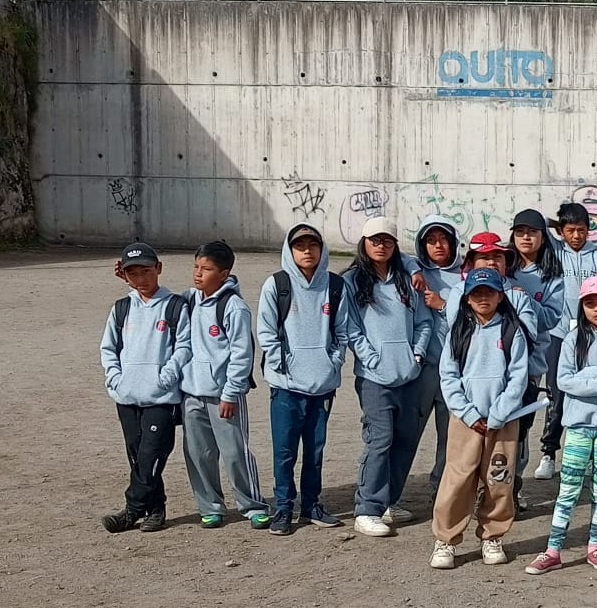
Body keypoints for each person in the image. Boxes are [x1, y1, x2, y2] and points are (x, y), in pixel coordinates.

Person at [525, 275, 597, 575]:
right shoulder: (571, 340)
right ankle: (553, 549)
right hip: (577, 426)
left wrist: (588, 378)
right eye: (590, 303)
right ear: (582, 307)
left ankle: (595, 546)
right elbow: (564, 381)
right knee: (568, 489)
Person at [430, 268, 531, 569]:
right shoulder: (458, 332)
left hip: (503, 420)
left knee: (499, 479)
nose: (483, 297)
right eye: (476, 293)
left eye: (489, 292)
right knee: (458, 479)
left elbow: (519, 377)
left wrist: (498, 413)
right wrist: (470, 414)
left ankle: (492, 536)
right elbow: (448, 378)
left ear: (500, 296)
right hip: (466, 421)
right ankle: (445, 540)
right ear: (467, 299)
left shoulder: (512, 331)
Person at [257, 223, 350, 535]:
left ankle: (312, 505)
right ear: (290, 250)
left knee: (316, 449)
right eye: (300, 246)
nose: (307, 251)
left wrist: (332, 362)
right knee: (284, 451)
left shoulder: (335, 286)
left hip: (322, 385)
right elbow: (267, 334)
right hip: (286, 386)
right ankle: (283, 507)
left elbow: (343, 332)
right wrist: (283, 365)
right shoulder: (277, 285)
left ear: (322, 249)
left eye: (313, 245)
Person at [344, 216, 432, 537]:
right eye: (375, 240)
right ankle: (367, 508)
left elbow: (424, 322)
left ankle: (388, 501)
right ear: (364, 243)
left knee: (405, 438)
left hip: (408, 373)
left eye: (387, 241)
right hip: (373, 377)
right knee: (379, 440)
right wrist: (371, 358)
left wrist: (417, 355)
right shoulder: (353, 281)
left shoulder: (408, 279)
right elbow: (351, 328)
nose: (381, 246)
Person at [100, 243, 192, 533]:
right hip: (127, 396)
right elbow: (109, 348)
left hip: (161, 398)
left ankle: (131, 509)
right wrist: (116, 378)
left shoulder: (175, 306)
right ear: (125, 276)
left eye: (146, 271)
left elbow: (184, 347)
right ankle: (155, 508)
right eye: (133, 273)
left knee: (151, 454)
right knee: (137, 455)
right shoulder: (122, 308)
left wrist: (165, 377)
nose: (141, 278)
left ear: (159, 269)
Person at [179, 240, 269, 530]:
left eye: (206, 269)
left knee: (234, 452)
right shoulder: (188, 300)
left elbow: (242, 355)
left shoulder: (234, 307)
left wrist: (231, 393)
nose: (198, 274)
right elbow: (156, 299)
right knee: (198, 453)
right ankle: (210, 506)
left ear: (225, 273)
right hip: (191, 394)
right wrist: (129, 279)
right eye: (196, 267)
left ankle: (253, 504)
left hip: (223, 397)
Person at [539, 204, 597, 480]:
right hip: (558, 335)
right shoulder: (553, 253)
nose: (576, 236)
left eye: (581, 230)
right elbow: (539, 227)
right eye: (570, 231)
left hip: (589, 335)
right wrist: (553, 222)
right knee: (556, 395)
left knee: (592, 392)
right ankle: (548, 452)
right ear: (561, 231)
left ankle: (594, 454)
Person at [508, 209, 567, 495]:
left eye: (532, 232)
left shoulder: (552, 275)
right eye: (520, 232)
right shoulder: (503, 266)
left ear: (543, 238)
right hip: (494, 361)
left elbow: (550, 318)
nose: (526, 238)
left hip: (529, 364)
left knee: (519, 430)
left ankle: (513, 489)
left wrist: (522, 299)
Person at [410, 215, 462, 503]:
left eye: (444, 239)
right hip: (422, 369)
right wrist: (411, 266)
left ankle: (441, 488)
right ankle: (391, 492)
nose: (438, 245)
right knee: (409, 433)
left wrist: (443, 305)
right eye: (431, 240)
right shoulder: (414, 272)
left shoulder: (466, 276)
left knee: (450, 436)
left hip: (454, 370)